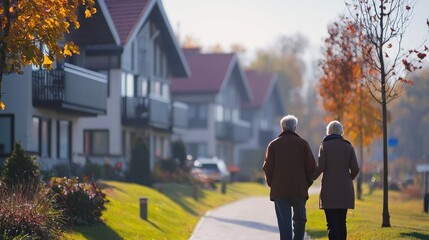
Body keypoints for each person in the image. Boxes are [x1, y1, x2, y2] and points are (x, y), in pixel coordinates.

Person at [263, 115, 316, 240]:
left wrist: (273, 184)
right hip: (299, 189)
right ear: (295, 128)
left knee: (284, 222)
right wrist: (306, 184)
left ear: (282, 128)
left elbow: (267, 167)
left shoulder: (273, 145)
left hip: (279, 190)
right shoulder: (303, 144)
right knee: (300, 220)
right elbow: (312, 168)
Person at [312, 120, 359, 240]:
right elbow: (355, 168)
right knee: (342, 223)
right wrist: (349, 178)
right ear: (341, 132)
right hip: (345, 189)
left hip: (329, 189)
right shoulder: (348, 147)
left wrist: (310, 178)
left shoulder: (325, 146)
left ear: (329, 131)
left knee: (332, 224)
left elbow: (320, 167)